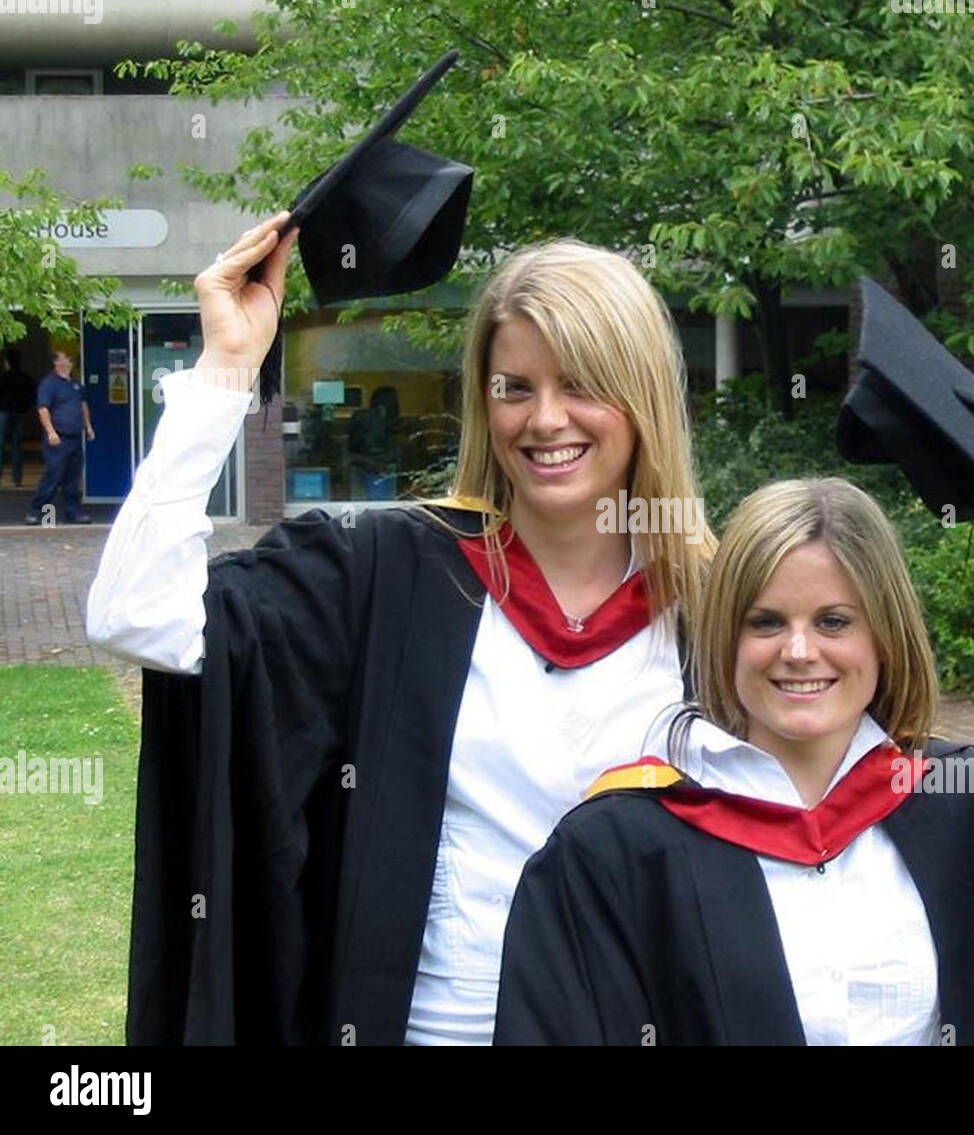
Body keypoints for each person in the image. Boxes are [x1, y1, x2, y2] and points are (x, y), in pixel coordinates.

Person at [85, 211, 717, 1044]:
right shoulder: (389, 570)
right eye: (515, 387)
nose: (546, 419)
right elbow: (136, 616)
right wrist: (225, 369)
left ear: (642, 400)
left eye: (583, 384)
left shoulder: (718, 608)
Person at [494, 477, 974, 1045]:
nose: (799, 651)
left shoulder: (964, 805)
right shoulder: (617, 850)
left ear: (884, 635)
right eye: (766, 621)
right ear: (724, 636)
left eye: (834, 620)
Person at [25, 348, 94, 524]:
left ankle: (73, 513)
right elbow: (43, 409)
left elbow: (83, 405)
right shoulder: (49, 384)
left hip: (75, 438)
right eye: (63, 360)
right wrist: (50, 432)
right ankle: (36, 511)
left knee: (73, 478)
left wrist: (88, 427)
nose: (67, 363)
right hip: (58, 438)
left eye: (69, 360)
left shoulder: (76, 385)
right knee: (53, 476)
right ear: (55, 363)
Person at [0, 349, 35, 487]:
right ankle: (17, 479)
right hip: (19, 413)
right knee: (17, 446)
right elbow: (32, 393)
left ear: (7, 362)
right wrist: (25, 407)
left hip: (3, 412)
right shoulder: (25, 377)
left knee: (0, 444)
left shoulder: (3, 377)